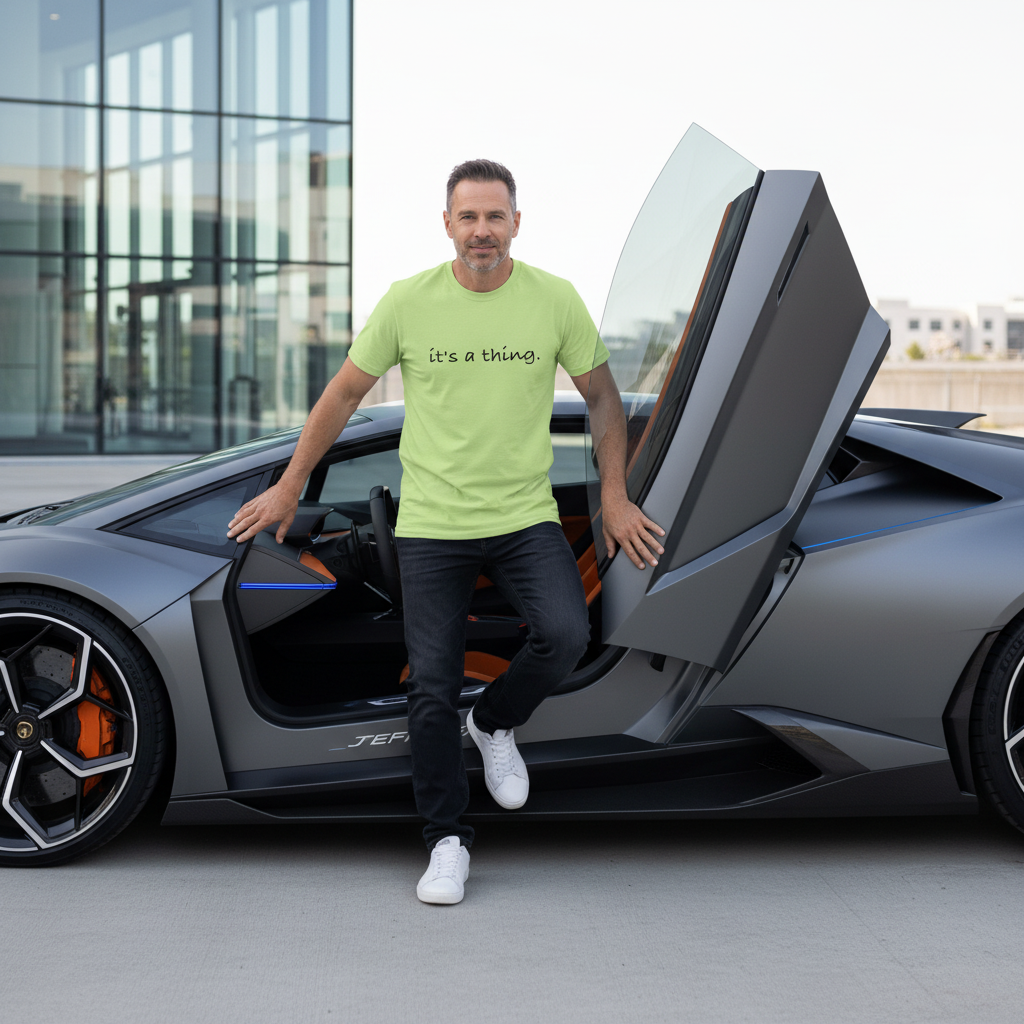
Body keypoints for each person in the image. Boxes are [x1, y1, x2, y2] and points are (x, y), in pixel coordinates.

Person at [227, 160, 664, 904]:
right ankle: (447, 840)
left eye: (496, 217)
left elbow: (602, 398)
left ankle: (495, 723)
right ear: (448, 224)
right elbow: (342, 393)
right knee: (430, 685)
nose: (482, 231)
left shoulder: (553, 299)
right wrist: (290, 482)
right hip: (431, 524)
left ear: (516, 224)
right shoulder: (409, 302)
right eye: (469, 217)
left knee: (564, 635)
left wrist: (615, 496)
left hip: (524, 517)